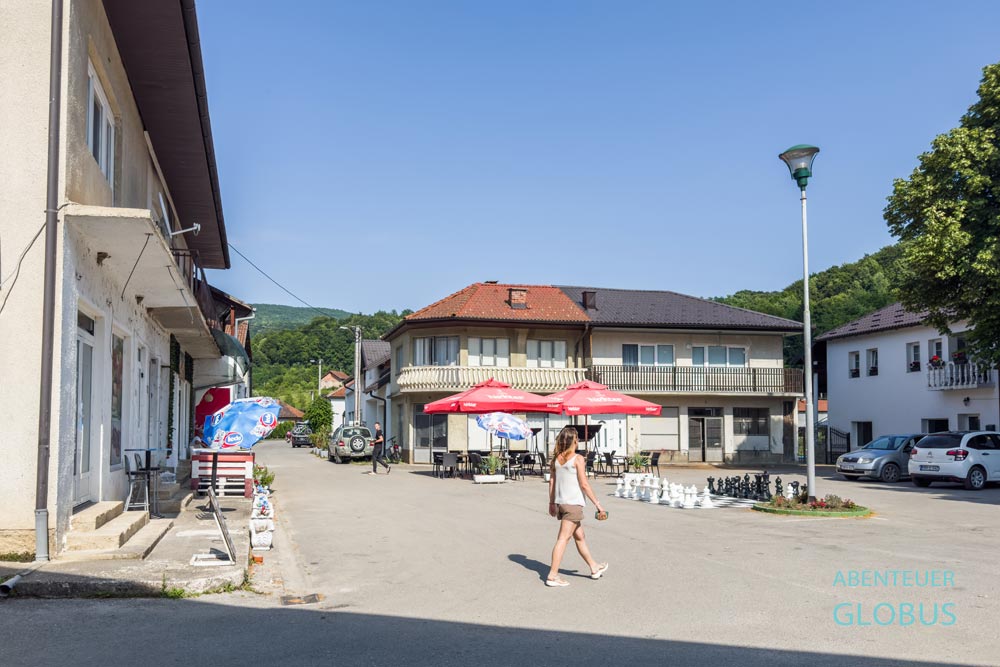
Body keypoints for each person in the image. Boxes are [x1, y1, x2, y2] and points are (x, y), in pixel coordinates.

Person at [545, 426, 608, 587]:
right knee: (563, 539)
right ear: (573, 440)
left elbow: (552, 482)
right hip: (573, 505)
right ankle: (552, 576)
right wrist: (598, 504)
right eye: (577, 438)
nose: (578, 440)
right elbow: (584, 484)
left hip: (561, 504)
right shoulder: (578, 459)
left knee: (580, 536)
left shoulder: (556, 459)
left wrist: (552, 503)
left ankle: (594, 567)